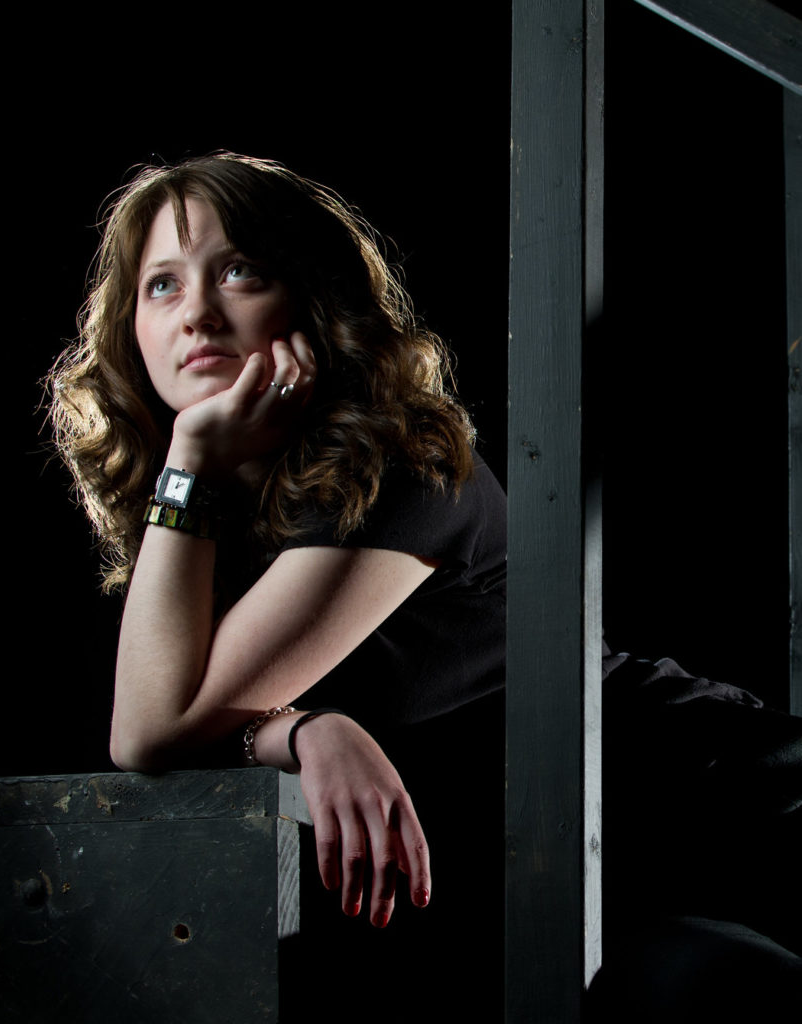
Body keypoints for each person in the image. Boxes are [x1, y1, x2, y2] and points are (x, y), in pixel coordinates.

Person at [49, 152, 800, 1018]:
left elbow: (155, 729)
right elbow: (160, 723)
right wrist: (301, 732)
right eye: (162, 287)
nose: (199, 316)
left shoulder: (404, 467)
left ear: (311, 300)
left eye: (240, 271)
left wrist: (186, 459)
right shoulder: (211, 522)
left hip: (710, 802)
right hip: (578, 882)